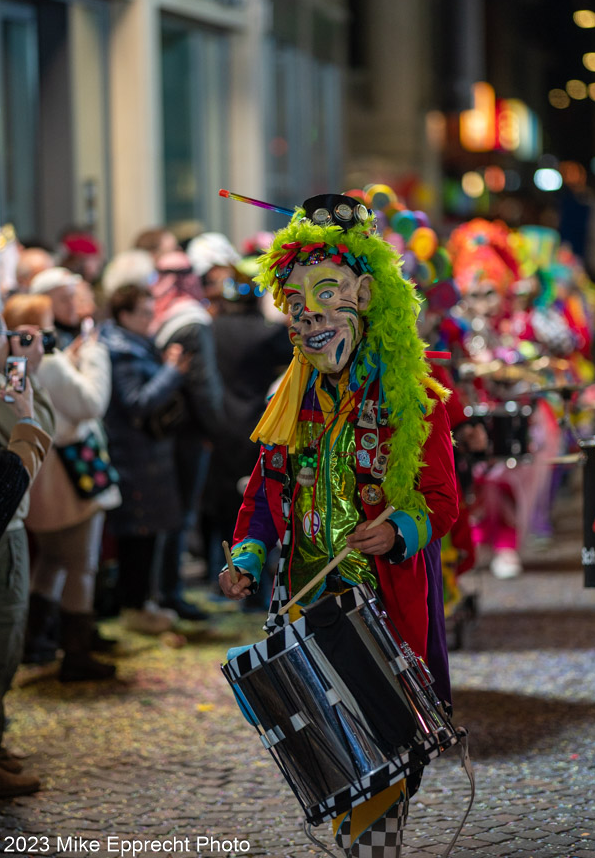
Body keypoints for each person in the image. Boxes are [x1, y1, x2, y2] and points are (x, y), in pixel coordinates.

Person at [218, 194, 459, 858]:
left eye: (328, 294)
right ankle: (360, 845)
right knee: (329, 749)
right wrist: (245, 555)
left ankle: (371, 847)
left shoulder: (414, 397)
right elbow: (265, 495)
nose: (311, 314)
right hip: (304, 605)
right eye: (296, 301)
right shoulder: (287, 400)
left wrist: (397, 530)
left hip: (382, 610)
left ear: (364, 293)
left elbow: (440, 499)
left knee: (386, 748)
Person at [3, 295, 120, 681]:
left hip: (38, 480)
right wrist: (93, 355)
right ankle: (76, 652)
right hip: (71, 481)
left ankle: (34, 639)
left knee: (51, 561)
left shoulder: (11, 367)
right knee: (80, 566)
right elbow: (91, 402)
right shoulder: (49, 365)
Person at [0, 303, 55, 798]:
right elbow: (42, 428)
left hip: (3, 523)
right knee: (0, 644)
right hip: (0, 528)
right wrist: (32, 375)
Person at [199, 258, 292, 597]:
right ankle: (258, 586)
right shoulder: (269, 333)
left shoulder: (211, 328)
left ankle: (222, 575)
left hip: (218, 426)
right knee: (258, 501)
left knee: (227, 507)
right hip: (259, 424)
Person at [100, 284, 190, 634]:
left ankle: (141, 604)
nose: (150, 318)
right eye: (143, 312)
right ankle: (136, 607)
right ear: (124, 315)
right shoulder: (122, 351)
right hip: (133, 456)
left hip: (143, 454)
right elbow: (137, 402)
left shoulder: (129, 344)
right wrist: (172, 372)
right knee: (138, 535)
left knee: (145, 534)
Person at [149, 251, 223, 620]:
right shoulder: (193, 320)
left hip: (160, 432)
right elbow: (203, 386)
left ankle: (160, 590)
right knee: (180, 513)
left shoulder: (160, 315)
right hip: (190, 434)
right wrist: (216, 430)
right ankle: (170, 592)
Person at [29, 266, 83, 349]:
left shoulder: (75, 331)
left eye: (73, 296)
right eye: (64, 299)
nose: (72, 305)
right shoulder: (40, 343)